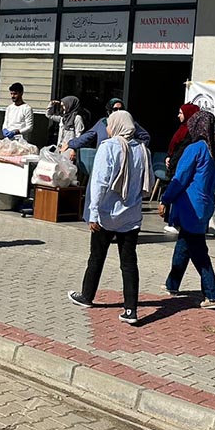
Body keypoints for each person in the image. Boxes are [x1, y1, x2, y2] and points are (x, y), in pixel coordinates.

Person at [67, 111, 150, 325]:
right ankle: (131, 310)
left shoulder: (109, 147)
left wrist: (93, 213)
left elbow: (100, 183)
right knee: (129, 263)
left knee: (96, 256)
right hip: (131, 216)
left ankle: (87, 296)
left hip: (107, 213)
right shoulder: (142, 149)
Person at [160, 110, 215, 309]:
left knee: (198, 250)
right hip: (205, 205)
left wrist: (165, 198)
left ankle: (213, 294)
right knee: (185, 243)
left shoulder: (195, 148)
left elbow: (180, 178)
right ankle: (173, 284)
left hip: (190, 205)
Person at [161, 103, 200, 234]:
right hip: (174, 164)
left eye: (181, 113)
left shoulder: (190, 132)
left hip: (180, 167)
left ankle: (175, 221)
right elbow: (174, 147)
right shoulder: (182, 129)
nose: (178, 116)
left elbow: (182, 150)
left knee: (177, 191)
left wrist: (173, 161)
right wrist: (168, 157)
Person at [67, 98, 152, 151]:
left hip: (123, 158)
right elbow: (87, 137)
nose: (118, 112)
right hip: (105, 157)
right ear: (109, 111)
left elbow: (145, 137)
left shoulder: (129, 123)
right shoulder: (103, 123)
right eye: (115, 109)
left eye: (121, 109)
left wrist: (132, 147)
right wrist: (70, 144)